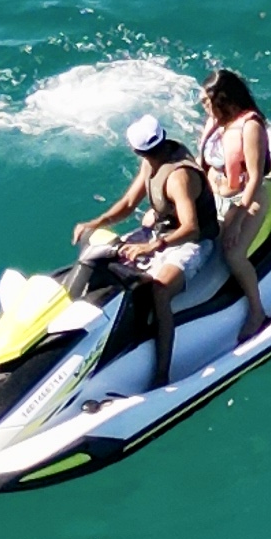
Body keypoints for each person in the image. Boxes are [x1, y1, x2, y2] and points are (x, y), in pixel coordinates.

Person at [66, 115, 222, 391]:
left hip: (191, 242)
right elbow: (128, 202)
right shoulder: (151, 162)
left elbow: (191, 229)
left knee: (159, 291)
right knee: (107, 259)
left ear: (137, 149)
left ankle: (163, 372)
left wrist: (153, 246)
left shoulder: (178, 178)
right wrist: (96, 223)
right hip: (159, 232)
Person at [197, 67, 271, 348]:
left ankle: (257, 311)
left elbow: (253, 177)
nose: (203, 106)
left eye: (207, 101)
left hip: (245, 199)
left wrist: (238, 217)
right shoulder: (216, 122)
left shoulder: (250, 126)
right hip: (212, 194)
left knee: (232, 253)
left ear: (224, 99)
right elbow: (201, 160)